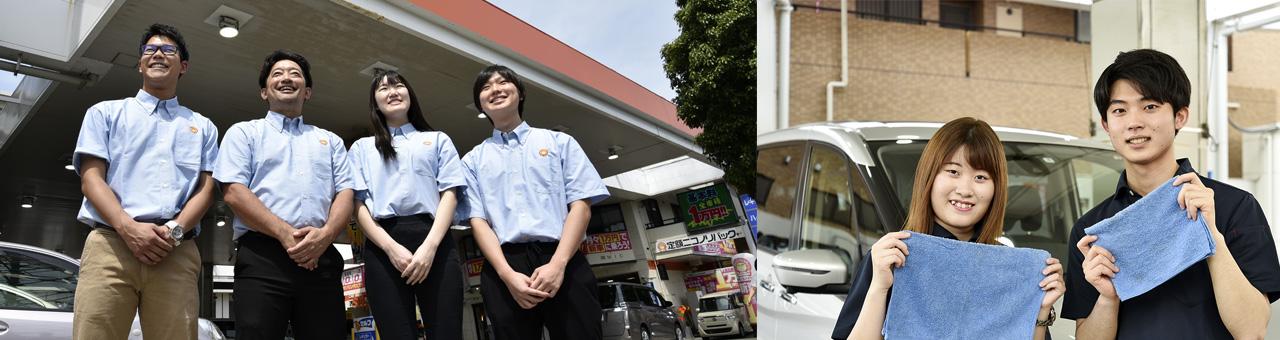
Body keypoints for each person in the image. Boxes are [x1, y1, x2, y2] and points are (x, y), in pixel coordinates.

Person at [1065, 49, 1280, 339]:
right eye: (1119, 110)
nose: (1134, 122)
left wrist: (1213, 239)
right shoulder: (1092, 232)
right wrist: (1108, 297)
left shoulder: (1234, 207)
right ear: (1106, 124)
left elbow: (1253, 331)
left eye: (1150, 107)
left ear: (1180, 116)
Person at [831, 117, 1063, 340]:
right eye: (953, 171)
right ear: (929, 177)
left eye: (981, 177)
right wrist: (879, 288)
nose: (965, 189)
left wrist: (1041, 312)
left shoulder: (1010, 270)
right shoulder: (891, 255)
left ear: (996, 190)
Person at [71, 23, 218, 340]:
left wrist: (174, 231)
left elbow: (207, 190)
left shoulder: (202, 126)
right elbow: (91, 179)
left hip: (175, 251)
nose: (158, 55)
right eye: (150, 49)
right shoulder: (105, 113)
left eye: (169, 50)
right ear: (139, 63)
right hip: (110, 246)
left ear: (184, 66)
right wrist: (127, 227)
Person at [461, 65, 610, 340]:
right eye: (485, 87)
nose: (495, 89)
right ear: (480, 103)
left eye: (503, 82)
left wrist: (558, 265)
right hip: (504, 266)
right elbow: (477, 221)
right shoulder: (471, 161)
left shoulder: (559, 143)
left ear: (521, 93)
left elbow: (581, 206)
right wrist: (507, 275)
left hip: (562, 256)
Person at [214, 50, 354, 340]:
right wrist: (286, 234)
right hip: (262, 258)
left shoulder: (330, 141)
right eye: (277, 74)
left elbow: (346, 194)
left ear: (308, 91)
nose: (287, 78)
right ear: (264, 92)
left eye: (295, 74)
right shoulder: (244, 133)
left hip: (321, 257)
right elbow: (234, 193)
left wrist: (326, 236)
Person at [349, 70, 465, 339]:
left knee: (447, 330)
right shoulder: (362, 148)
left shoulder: (437, 140)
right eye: (383, 89)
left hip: (435, 240)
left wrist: (430, 247)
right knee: (396, 333)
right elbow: (358, 206)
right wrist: (391, 248)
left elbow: (450, 194)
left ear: (409, 94)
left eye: (398, 85)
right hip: (382, 245)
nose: (392, 92)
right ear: (374, 103)